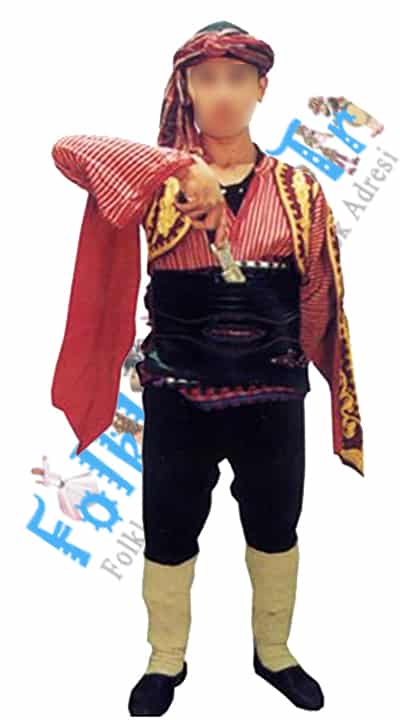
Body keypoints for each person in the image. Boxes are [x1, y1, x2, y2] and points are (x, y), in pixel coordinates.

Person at [50, 20, 364, 716]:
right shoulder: (158, 184)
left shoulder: (300, 190)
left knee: (276, 525)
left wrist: (301, 371)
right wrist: (177, 167)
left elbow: (316, 292)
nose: (223, 94)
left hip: (271, 392)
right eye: (207, 79)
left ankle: (274, 651)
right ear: (186, 88)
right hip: (178, 391)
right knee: (168, 526)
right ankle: (165, 658)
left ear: (261, 89)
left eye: (237, 79)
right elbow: (68, 151)